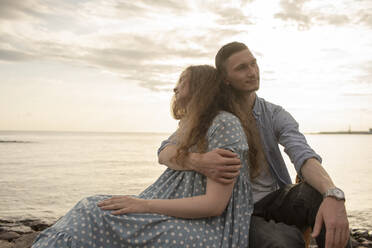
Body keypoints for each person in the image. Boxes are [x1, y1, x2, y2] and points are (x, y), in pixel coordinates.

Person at [32, 65, 254, 248]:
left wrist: (144, 205)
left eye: (183, 81)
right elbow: (163, 153)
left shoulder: (224, 124)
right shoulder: (190, 125)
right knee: (92, 208)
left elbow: (213, 206)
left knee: (92, 211)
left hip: (206, 230)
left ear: (200, 87)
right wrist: (197, 161)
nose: (175, 88)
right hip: (175, 215)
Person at [158, 42, 351, 248]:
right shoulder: (213, 116)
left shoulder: (274, 114)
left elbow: (303, 156)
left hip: (274, 200)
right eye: (241, 68)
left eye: (253, 64)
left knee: (315, 194)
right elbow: (164, 152)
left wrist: (333, 193)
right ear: (225, 79)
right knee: (283, 242)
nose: (252, 72)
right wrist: (199, 161)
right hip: (237, 210)